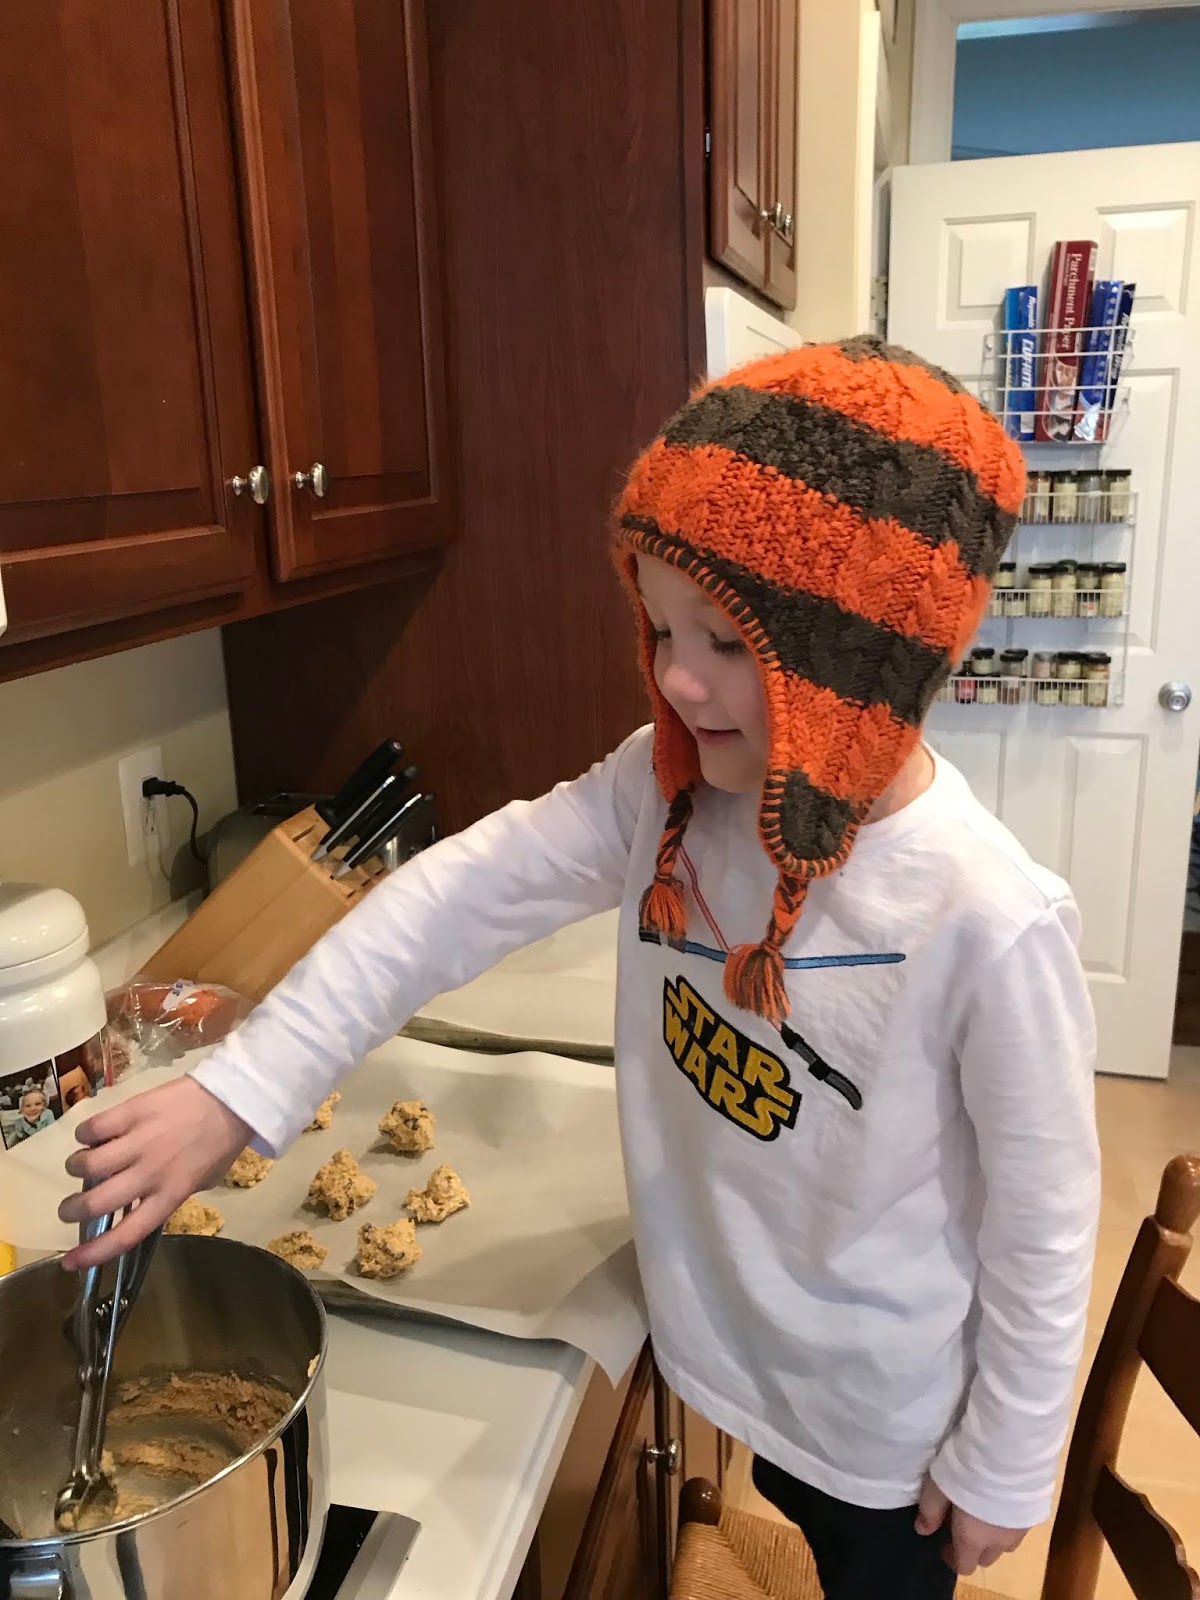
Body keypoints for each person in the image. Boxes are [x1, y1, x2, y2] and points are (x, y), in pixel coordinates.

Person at [61, 338, 1100, 1598]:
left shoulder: (989, 917)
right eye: (658, 627)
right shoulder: (665, 795)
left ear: (860, 663)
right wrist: (240, 1088)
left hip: (888, 1426)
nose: (674, 676)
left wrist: (1006, 1458)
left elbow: (1044, 1224)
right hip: (729, 1355)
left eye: (728, 642)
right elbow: (451, 896)